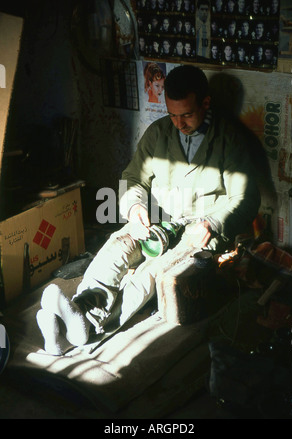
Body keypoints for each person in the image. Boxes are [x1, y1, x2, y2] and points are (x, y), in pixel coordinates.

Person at [36, 65, 261, 356]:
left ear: (206, 103)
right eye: (173, 114)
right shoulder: (159, 134)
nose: (179, 123)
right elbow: (133, 178)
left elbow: (246, 198)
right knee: (117, 248)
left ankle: (88, 324)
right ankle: (77, 311)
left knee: (152, 273)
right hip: (162, 223)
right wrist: (135, 207)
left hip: (201, 235)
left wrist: (212, 223)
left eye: (187, 114)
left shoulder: (229, 139)